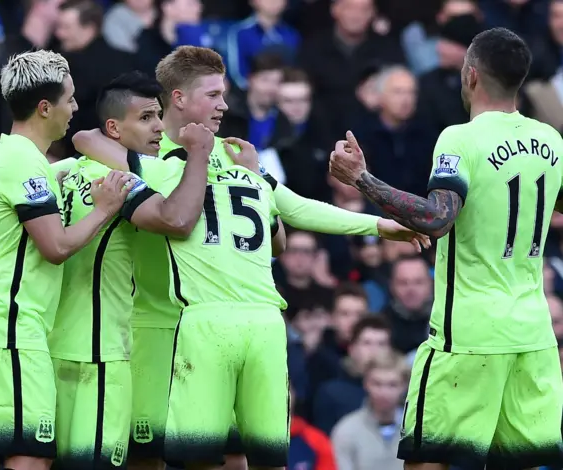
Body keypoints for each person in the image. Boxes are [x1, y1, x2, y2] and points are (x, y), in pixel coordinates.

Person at [69, 45, 430, 470]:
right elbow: (86, 139)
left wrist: (375, 224)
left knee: (231, 454)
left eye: (224, 94)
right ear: (179, 98)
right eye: (214, 95)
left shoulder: (228, 153)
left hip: (211, 321)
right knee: (156, 453)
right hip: (165, 325)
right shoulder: (150, 155)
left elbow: (289, 210)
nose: (224, 104)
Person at [329, 27, 563, 470]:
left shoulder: (461, 138)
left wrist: (363, 178)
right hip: (533, 335)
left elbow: (437, 217)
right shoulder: (552, 141)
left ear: (471, 75)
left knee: (426, 459)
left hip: (469, 336)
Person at [0, 50, 132, 470]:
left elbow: (47, 179)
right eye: (70, 99)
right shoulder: (23, 161)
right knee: (31, 456)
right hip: (6, 329)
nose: (75, 108)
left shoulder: (10, 158)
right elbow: (55, 247)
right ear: (45, 108)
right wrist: (104, 209)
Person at [46, 72, 215, 469]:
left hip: (50, 346)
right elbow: (177, 221)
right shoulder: (120, 182)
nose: (158, 127)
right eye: (145, 118)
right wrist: (200, 158)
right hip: (100, 353)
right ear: (113, 128)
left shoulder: (56, 175)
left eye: (158, 116)